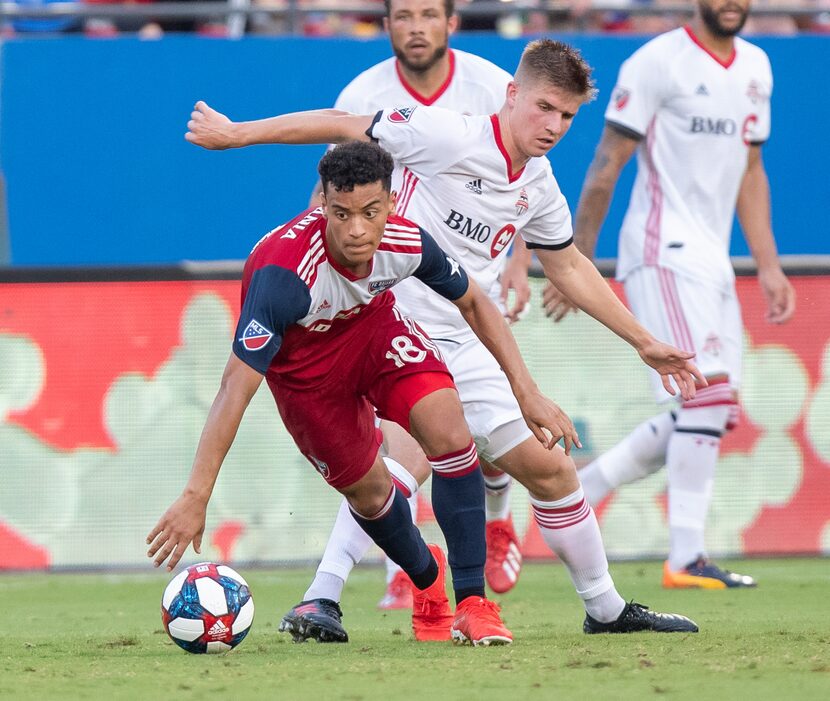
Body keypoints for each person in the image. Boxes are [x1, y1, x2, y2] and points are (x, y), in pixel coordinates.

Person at [186, 39, 706, 639]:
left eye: (567, 116)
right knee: (403, 465)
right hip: (395, 321)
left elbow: (567, 266)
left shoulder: (538, 183)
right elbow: (340, 125)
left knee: (553, 472)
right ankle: (324, 595)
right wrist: (237, 135)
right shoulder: (448, 134)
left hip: (470, 334)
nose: (554, 126)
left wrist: (642, 340)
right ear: (513, 95)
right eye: (544, 108)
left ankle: (606, 610)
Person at [146, 139, 585, 646]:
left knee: (449, 428)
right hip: (304, 372)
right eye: (342, 213)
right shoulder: (284, 275)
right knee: (372, 496)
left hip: (373, 334)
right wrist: (196, 495)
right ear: (324, 205)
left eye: (371, 212)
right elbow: (232, 391)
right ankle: (427, 581)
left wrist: (526, 392)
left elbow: (476, 303)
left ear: (391, 204)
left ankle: (473, 603)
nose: (357, 229)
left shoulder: (407, 241)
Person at [542, 0, 796, 588]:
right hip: (662, 250)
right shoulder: (656, 62)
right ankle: (685, 557)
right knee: (704, 398)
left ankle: (583, 488)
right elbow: (607, 166)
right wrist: (575, 261)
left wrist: (769, 264)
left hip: (713, 258)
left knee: (711, 410)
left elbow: (751, 172)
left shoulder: (757, 67)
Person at [307, 0, 531, 615]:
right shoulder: (365, 91)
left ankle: (497, 521)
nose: (415, 27)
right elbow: (332, 186)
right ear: (387, 25)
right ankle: (373, 580)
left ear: (451, 22)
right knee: (404, 448)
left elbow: (527, 177)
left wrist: (521, 261)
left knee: (493, 440)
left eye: (428, 14)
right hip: (401, 291)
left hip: (471, 286)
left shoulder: (489, 84)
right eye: (403, 15)